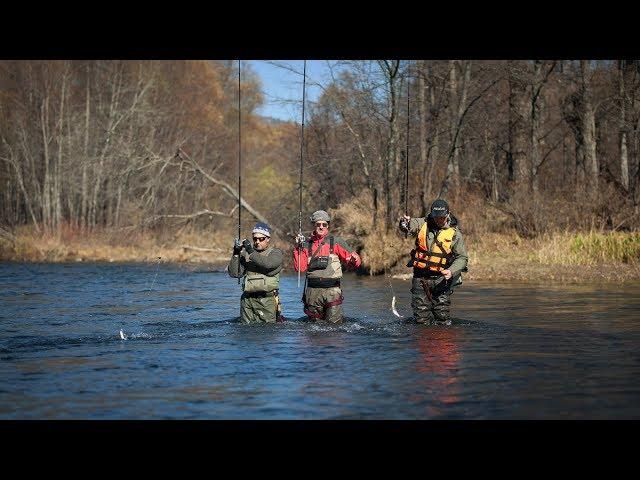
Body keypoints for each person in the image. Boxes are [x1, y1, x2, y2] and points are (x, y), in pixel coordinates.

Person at [399, 199, 468, 325]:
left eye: (441, 217)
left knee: (442, 318)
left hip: (441, 280)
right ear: (431, 214)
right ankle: (425, 342)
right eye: (436, 217)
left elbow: (462, 258)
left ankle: (440, 342)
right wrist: (405, 223)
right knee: (421, 320)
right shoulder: (423, 223)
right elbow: (409, 226)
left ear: (448, 214)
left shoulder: (455, 234)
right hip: (420, 278)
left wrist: (451, 271)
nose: (438, 220)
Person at [293, 210, 361, 323]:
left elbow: (356, 262)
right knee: (313, 329)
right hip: (313, 294)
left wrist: (355, 260)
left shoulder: (337, 242)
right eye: (318, 224)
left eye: (324, 224)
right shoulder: (305, 245)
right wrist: (297, 248)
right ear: (313, 225)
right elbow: (300, 268)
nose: (321, 227)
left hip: (332, 292)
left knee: (334, 328)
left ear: (328, 225)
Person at [228, 222, 284, 323]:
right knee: (246, 332)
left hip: (267, 300)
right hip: (247, 301)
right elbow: (234, 273)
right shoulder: (246, 254)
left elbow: (267, 264)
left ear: (268, 239)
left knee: (267, 332)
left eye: (261, 239)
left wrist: (249, 250)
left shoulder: (276, 253)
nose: (257, 242)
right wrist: (236, 253)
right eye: (255, 239)